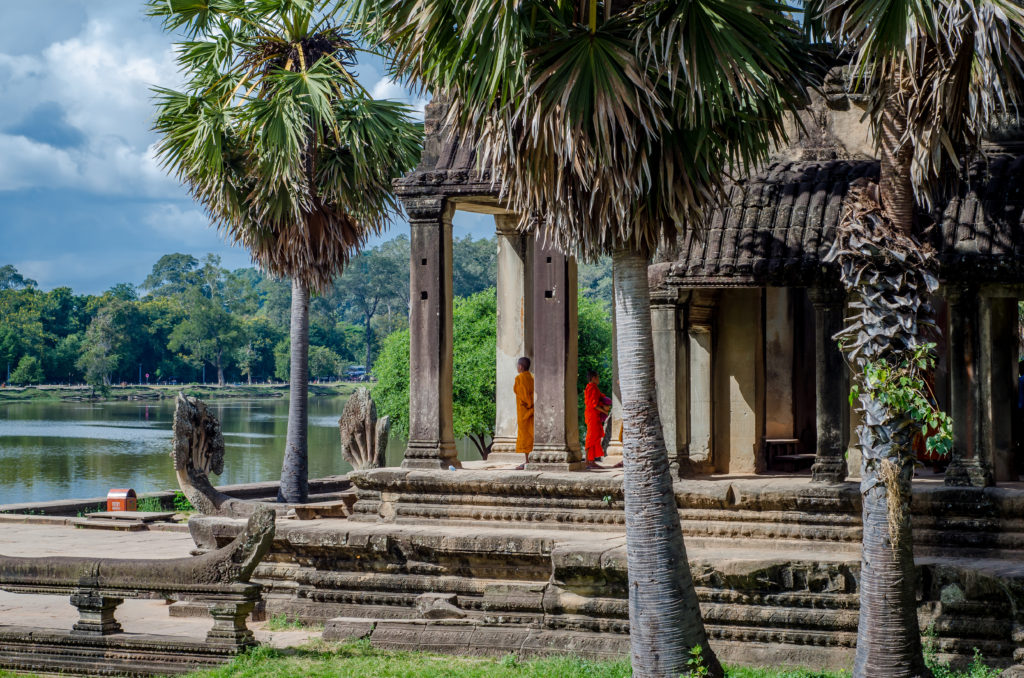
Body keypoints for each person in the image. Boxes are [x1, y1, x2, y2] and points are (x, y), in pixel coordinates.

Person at [584, 369, 611, 469]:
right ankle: (587, 461)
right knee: (591, 437)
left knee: (595, 437)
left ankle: (591, 461)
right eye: (598, 377)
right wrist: (604, 411)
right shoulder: (592, 388)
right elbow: (594, 404)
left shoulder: (592, 387)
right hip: (592, 415)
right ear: (594, 378)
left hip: (593, 415)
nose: (599, 379)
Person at [513, 357, 534, 470]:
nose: (517, 367)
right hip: (532, 410)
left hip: (524, 411)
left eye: (518, 365)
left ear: (520, 366)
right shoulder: (531, 377)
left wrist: (529, 403)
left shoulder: (519, 378)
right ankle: (531, 459)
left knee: (525, 436)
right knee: (531, 435)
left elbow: (523, 394)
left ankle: (527, 461)